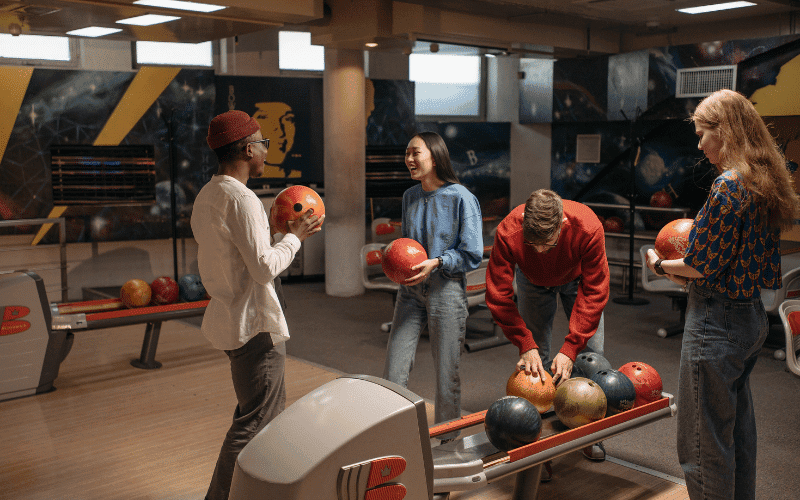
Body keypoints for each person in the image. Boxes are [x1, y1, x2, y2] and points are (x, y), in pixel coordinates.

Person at [645, 89, 800, 500]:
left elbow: (701, 265)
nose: (699, 145)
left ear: (725, 132)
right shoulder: (763, 179)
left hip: (716, 322)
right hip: (749, 319)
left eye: (702, 134)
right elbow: (734, 260)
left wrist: (659, 265)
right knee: (736, 433)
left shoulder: (728, 186)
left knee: (701, 442)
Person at [191, 110, 323, 500]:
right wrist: (295, 237)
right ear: (249, 149)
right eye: (263, 143)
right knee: (255, 426)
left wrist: (272, 232)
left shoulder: (209, 194)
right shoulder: (242, 198)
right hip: (254, 327)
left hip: (232, 319)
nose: (266, 150)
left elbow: (240, 256)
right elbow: (265, 268)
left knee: (252, 417)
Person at [485, 188, 609, 464]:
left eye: (548, 244)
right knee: (533, 365)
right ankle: (535, 448)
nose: (540, 250)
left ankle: (591, 436)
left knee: (593, 361)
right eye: (532, 244)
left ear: (562, 224)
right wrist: (524, 343)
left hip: (578, 281)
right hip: (531, 281)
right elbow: (498, 295)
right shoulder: (509, 231)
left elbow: (595, 292)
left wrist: (571, 347)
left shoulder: (587, 227)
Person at [383, 131, 483, 442]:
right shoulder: (410, 197)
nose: (409, 159)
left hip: (446, 290)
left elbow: (472, 253)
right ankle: (390, 436)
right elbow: (408, 246)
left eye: (416, 153)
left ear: (435, 156)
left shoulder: (462, 198)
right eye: (407, 153)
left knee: (446, 375)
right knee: (393, 370)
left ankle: (448, 444)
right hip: (409, 293)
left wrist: (437, 262)